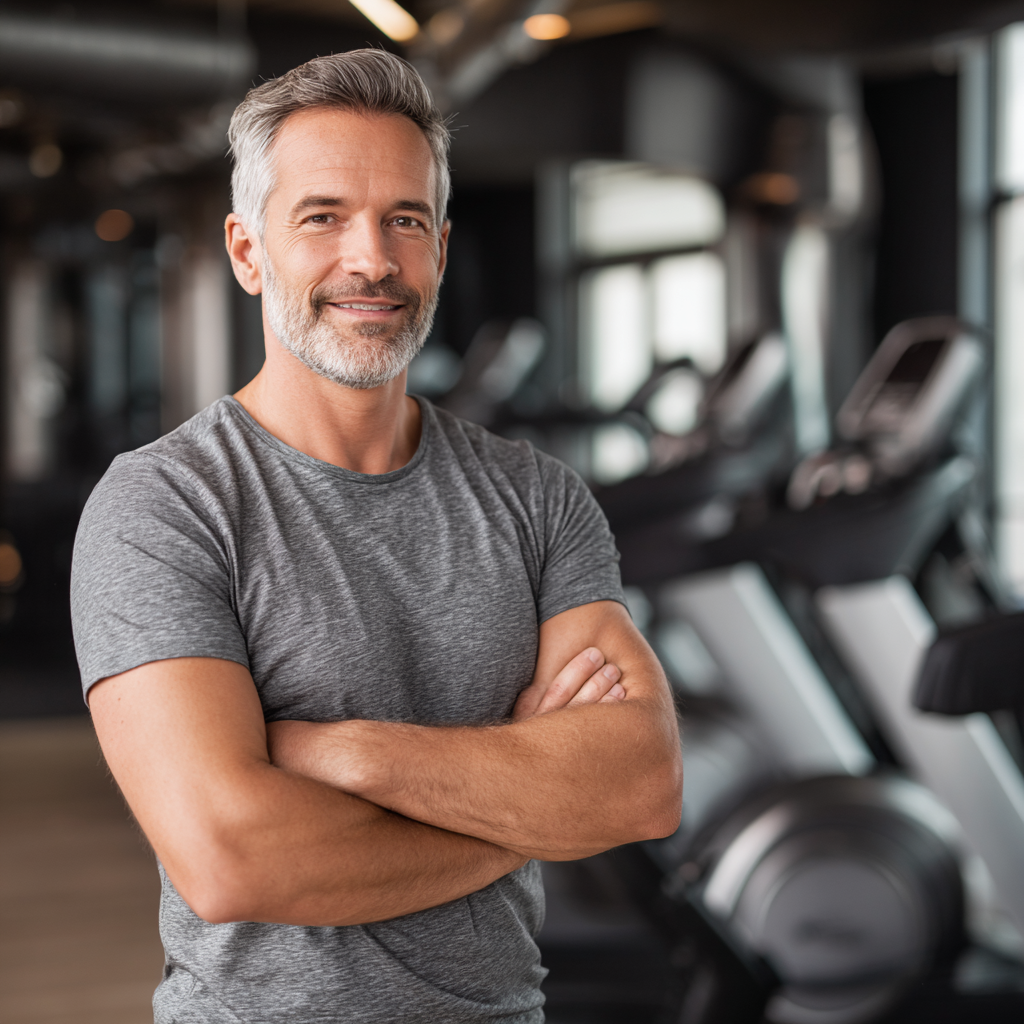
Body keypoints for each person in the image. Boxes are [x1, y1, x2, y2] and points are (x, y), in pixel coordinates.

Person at [71, 49, 682, 1024]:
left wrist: (347, 754)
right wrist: (533, 807)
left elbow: (639, 785)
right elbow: (232, 858)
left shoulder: (536, 497)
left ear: (437, 247)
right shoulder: (162, 506)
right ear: (246, 250)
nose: (371, 259)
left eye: (404, 220)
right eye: (322, 217)